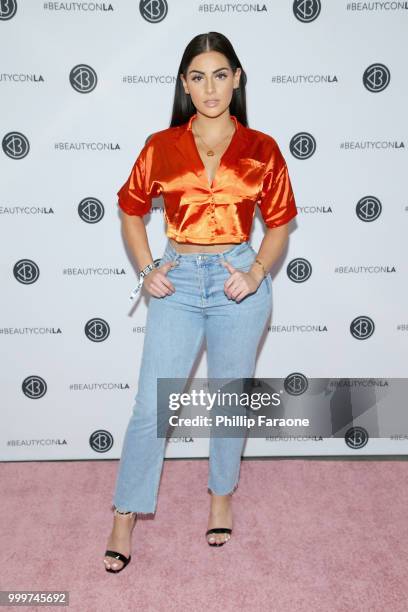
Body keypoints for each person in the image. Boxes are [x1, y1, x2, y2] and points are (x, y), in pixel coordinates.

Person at [103, 31, 298, 573]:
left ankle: (220, 496)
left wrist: (257, 271)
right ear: (184, 86)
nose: (209, 87)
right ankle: (126, 511)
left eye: (219, 74)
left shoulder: (262, 148)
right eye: (197, 76)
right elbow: (129, 209)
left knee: (229, 400)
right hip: (180, 280)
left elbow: (280, 225)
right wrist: (147, 270)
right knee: (151, 406)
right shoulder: (161, 145)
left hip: (239, 281)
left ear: (236, 79)